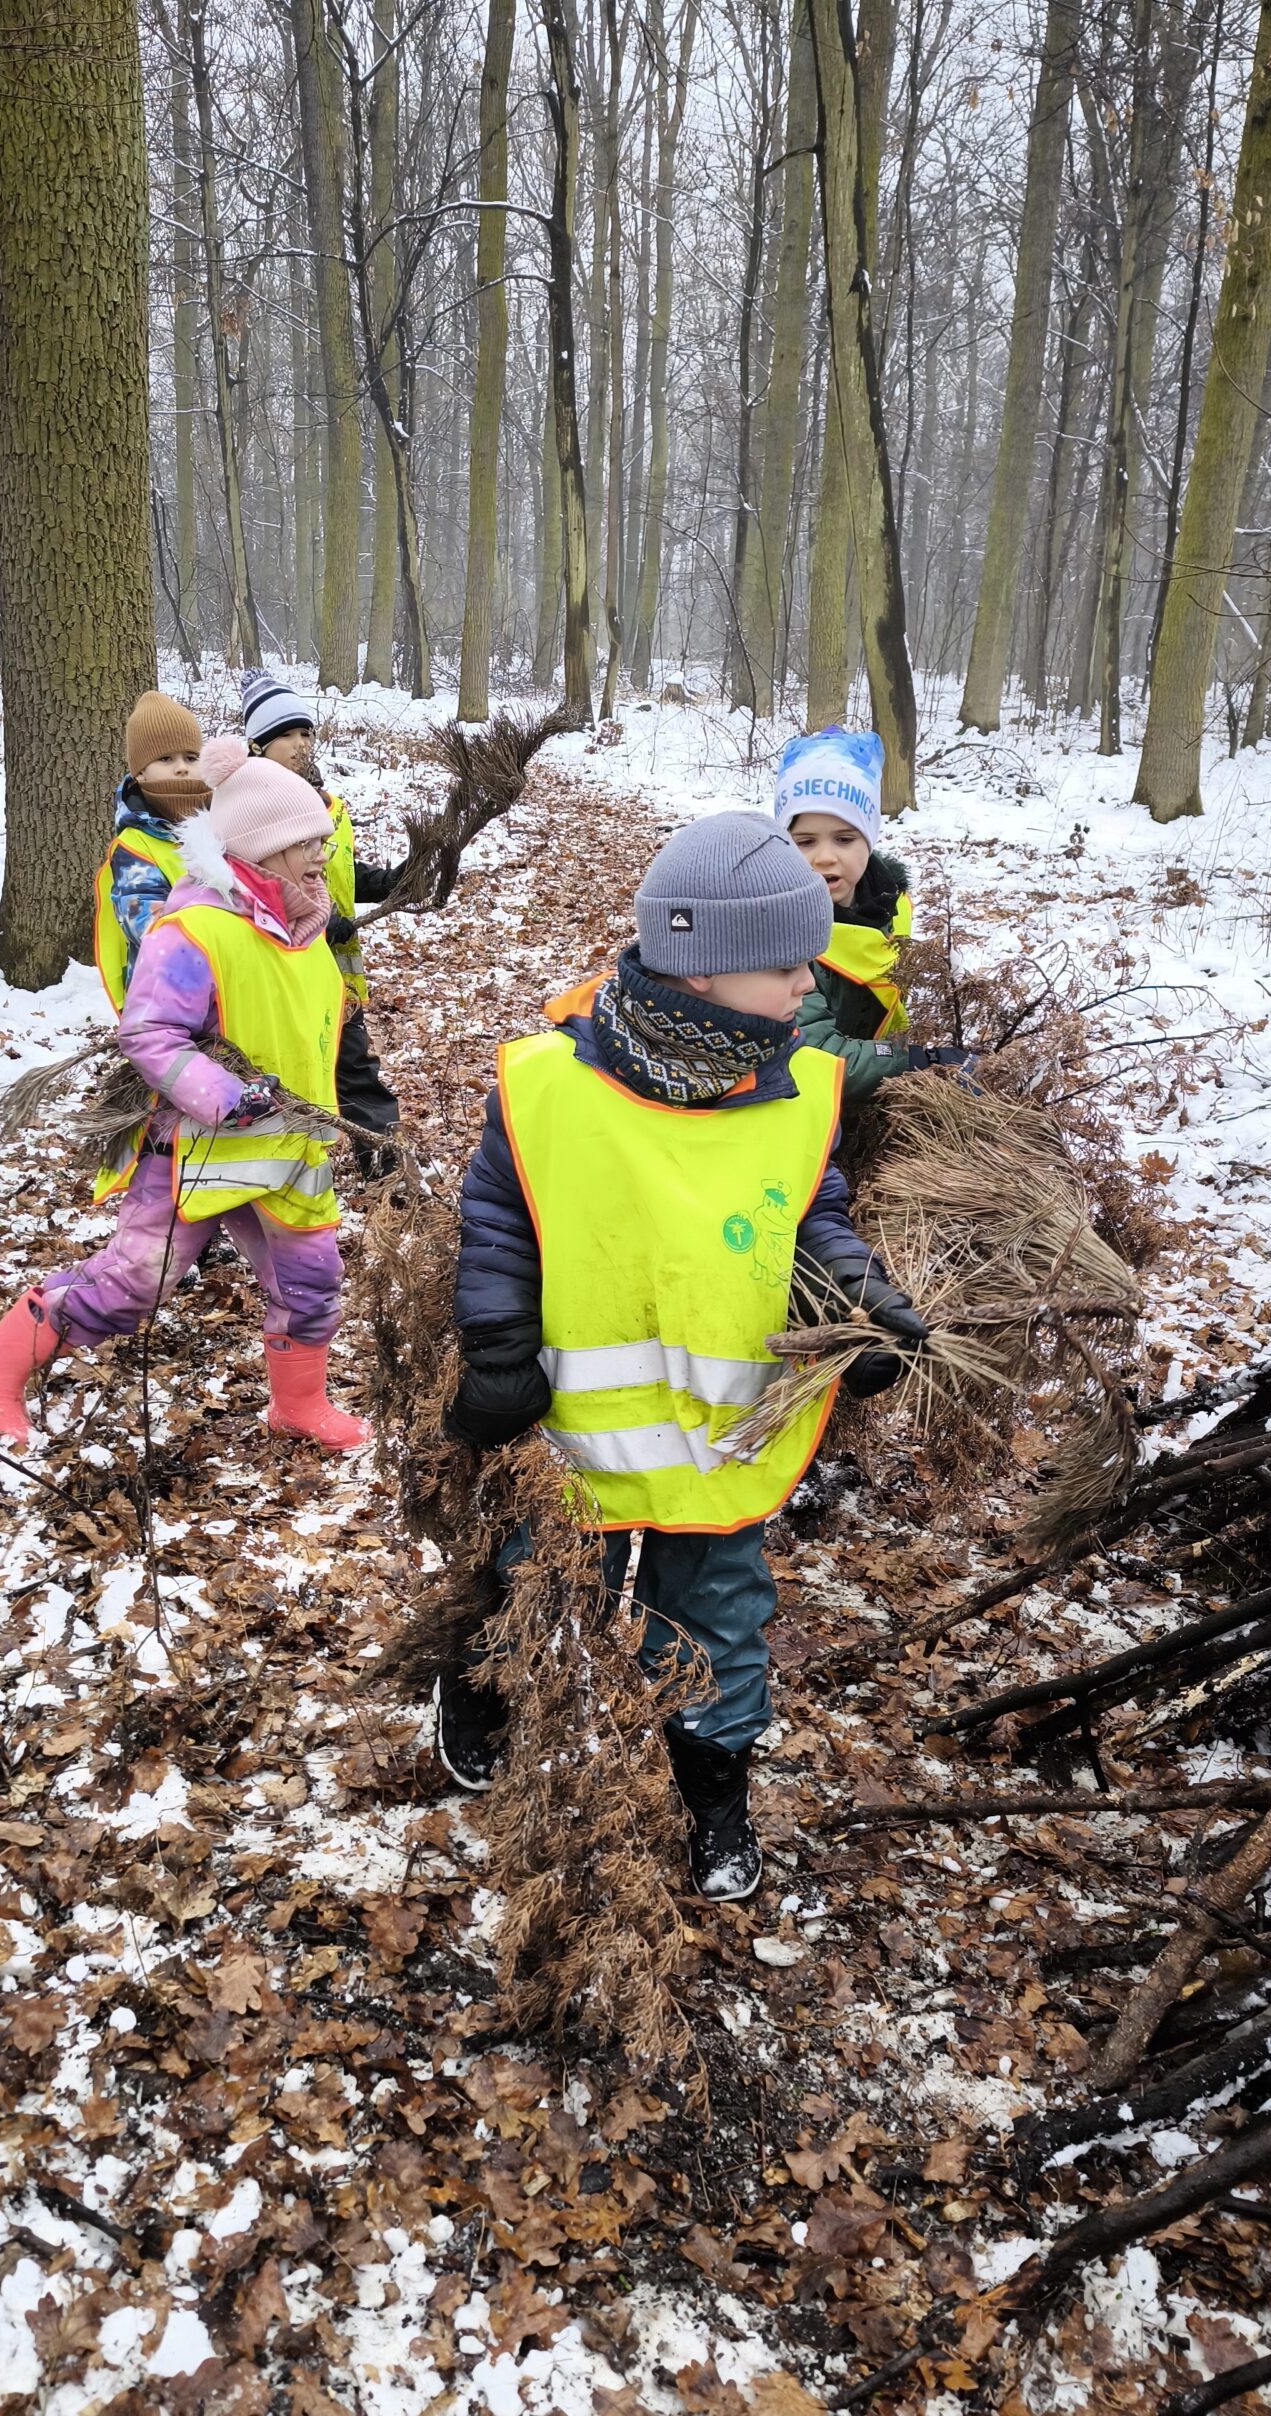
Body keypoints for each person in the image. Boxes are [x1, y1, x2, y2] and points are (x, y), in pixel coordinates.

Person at [440, 811, 929, 1900]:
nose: (807, 984)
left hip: (719, 1434)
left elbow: (812, 1216)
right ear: (701, 967)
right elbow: (500, 1220)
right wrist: (499, 1350)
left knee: (715, 1625)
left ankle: (714, 1795)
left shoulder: (795, 1086)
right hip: (567, 1429)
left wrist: (857, 1303)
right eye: (786, 965)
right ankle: (480, 1688)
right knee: (532, 1581)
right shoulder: (550, 1086)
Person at [0, 739, 370, 1454]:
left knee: (312, 1283)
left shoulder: (304, 933)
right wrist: (225, 1097)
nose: (321, 855)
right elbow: (149, 1032)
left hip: (294, 1150)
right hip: (194, 1146)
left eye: (322, 841)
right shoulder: (193, 930)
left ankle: (299, 1405)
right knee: (135, 1285)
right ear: (262, 846)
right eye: (307, 842)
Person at [239, 668, 401, 1139]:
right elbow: (244, 881)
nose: (300, 745)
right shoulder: (246, 808)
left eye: (305, 733)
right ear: (257, 745)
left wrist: (390, 882)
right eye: (285, 735)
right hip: (281, 970)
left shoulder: (329, 806)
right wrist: (316, 919)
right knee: (287, 1070)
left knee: (355, 1069)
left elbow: (340, 870)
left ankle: (386, 1165)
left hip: (336, 975)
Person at [774, 726, 972, 1109]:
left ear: (869, 838)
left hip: (868, 1093)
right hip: (805, 1104)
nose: (825, 857)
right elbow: (814, 1054)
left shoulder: (890, 906)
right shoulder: (778, 931)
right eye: (805, 842)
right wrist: (914, 1061)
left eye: (844, 839)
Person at [93, 690, 212, 1007]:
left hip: (231, 992)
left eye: (191, 757)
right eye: (166, 759)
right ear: (140, 772)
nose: (182, 768)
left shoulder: (225, 822)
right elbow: (150, 930)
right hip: (166, 1003)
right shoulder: (135, 846)